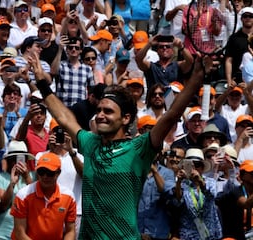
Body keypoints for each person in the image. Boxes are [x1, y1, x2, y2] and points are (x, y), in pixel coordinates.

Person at [29, 41, 212, 237]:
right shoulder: (90, 143)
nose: (100, 115)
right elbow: (64, 118)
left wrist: (196, 78)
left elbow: (171, 114)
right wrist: (42, 83)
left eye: (108, 111)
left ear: (125, 118)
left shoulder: (139, 148)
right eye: (99, 110)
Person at [11, 152, 76, 240]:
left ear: (58, 173)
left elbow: (70, 231)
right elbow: (19, 233)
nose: (45, 176)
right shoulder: (23, 195)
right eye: (41, 172)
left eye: (49, 173)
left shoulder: (69, 197)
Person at [174, 148, 222, 239]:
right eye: (190, 165)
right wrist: (178, 182)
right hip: (189, 233)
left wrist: (200, 181)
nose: (194, 168)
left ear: (203, 168)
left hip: (209, 232)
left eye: (197, 165)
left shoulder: (211, 182)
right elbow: (178, 201)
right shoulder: (182, 184)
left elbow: (211, 196)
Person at [0, 140, 34, 240]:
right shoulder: (0, 177)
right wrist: (12, 183)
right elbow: (3, 206)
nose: (18, 162)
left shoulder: (33, 176)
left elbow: (37, 198)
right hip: (3, 232)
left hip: (27, 231)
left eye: (21, 158)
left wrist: (27, 177)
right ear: (10, 160)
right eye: (15, 159)